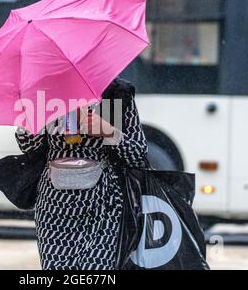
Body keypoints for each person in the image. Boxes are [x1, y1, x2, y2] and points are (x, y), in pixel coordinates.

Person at [15, 77, 148, 270]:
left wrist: (109, 131)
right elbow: (28, 147)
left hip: (104, 203)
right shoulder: (41, 93)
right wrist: (34, 124)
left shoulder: (117, 93)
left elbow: (137, 154)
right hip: (54, 205)